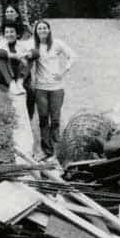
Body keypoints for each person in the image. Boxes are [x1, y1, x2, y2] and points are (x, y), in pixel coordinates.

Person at [26, 20, 76, 158]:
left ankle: (56, 147)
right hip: (40, 87)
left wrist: (63, 71)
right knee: (43, 119)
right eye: (39, 28)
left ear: (49, 30)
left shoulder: (57, 43)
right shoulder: (31, 43)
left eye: (45, 28)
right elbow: (19, 50)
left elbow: (72, 56)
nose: (42, 30)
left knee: (55, 119)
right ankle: (47, 150)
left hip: (56, 88)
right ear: (36, 31)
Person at [0, 23, 36, 119]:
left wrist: (27, 55)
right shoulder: (0, 43)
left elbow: (36, 53)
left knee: (30, 58)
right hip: (2, 76)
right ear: (4, 34)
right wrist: (14, 55)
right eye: (7, 32)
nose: (9, 34)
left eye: (12, 32)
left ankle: (20, 81)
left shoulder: (22, 45)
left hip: (17, 76)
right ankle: (11, 84)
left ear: (17, 34)